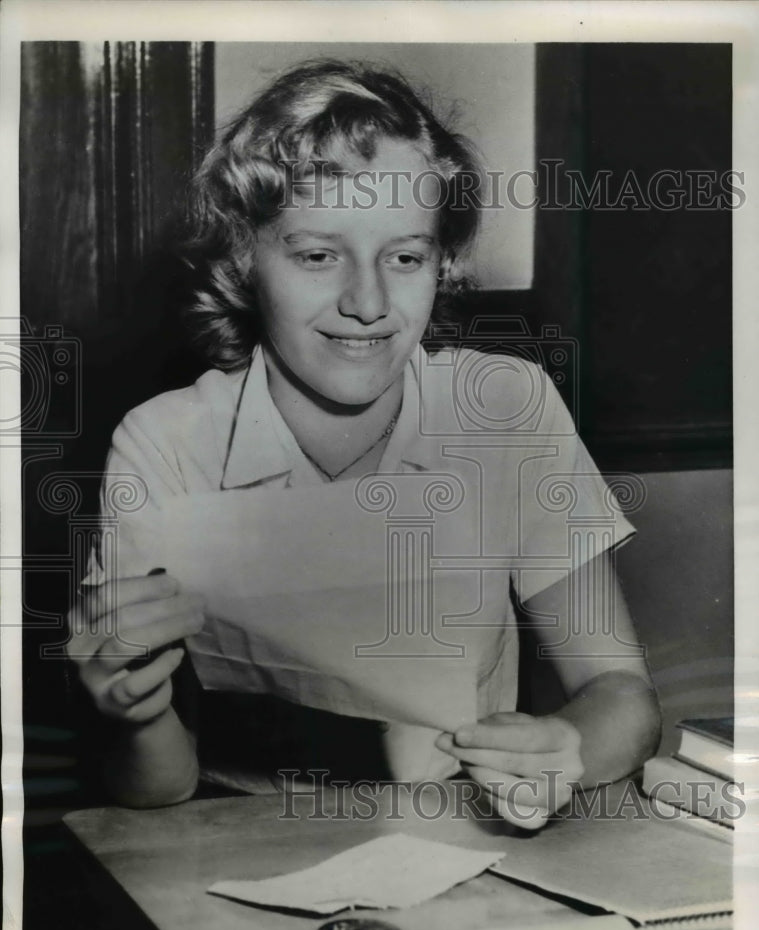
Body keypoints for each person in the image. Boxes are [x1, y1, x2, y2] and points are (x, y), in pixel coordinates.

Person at [66, 59, 661, 826]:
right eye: (318, 255)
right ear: (246, 259)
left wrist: (563, 746)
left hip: (461, 845)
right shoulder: (167, 441)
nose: (368, 303)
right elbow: (157, 793)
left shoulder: (503, 409)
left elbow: (624, 700)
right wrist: (135, 714)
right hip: (234, 853)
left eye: (404, 257)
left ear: (441, 262)